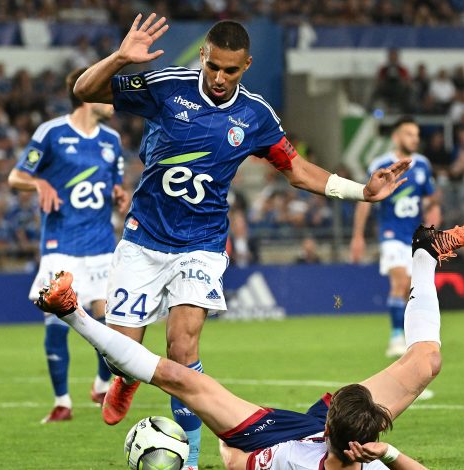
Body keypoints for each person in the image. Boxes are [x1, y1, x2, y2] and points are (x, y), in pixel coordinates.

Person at [72, 13, 411, 468]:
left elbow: (297, 171)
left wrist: (360, 192)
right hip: (144, 238)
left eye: (230, 70)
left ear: (246, 65)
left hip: (202, 243)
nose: (219, 77)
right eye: (213, 66)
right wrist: (119, 58)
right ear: (202, 56)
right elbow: (85, 91)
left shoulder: (255, 115)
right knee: (121, 354)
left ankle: (191, 461)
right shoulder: (166, 87)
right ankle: (125, 375)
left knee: (182, 350)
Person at [35, 223, 464, 469]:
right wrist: (387, 453)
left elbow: (235, 458)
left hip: (274, 434)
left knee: (179, 377)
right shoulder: (371, 458)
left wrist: (226, 449)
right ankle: (426, 251)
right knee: (427, 360)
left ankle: (71, 311)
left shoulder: (288, 462)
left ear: (333, 424)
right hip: (339, 433)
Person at [7, 68, 129, 424]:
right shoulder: (51, 133)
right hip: (61, 245)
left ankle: (102, 385)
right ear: (88, 96)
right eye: (107, 94)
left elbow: (114, 183)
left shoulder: (112, 140)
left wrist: (119, 195)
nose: (113, 101)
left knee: (109, 322)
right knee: (57, 323)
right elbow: (16, 176)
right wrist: (39, 183)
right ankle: (62, 402)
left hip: (102, 244)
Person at [350, 117, 440, 358]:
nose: (415, 139)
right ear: (396, 137)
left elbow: (431, 200)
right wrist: (358, 236)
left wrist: (432, 228)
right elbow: (365, 200)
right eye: (409, 134)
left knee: (410, 288)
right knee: (399, 282)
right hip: (391, 234)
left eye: (417, 135)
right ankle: (395, 337)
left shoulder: (423, 165)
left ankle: (410, 337)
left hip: (415, 236)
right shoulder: (381, 165)